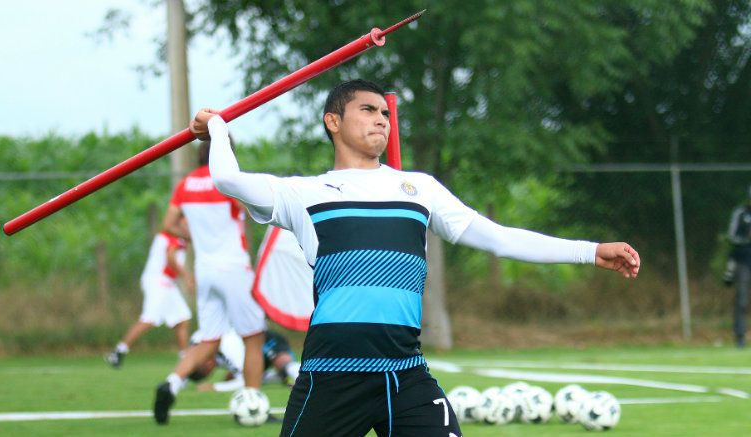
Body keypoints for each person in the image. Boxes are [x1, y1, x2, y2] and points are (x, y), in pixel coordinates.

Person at [190, 79, 640, 437]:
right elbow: (228, 178)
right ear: (333, 121)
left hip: (405, 373)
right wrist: (218, 127)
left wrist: (589, 251)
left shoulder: (419, 189)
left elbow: (499, 238)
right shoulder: (301, 193)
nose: (381, 120)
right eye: (367, 110)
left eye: (385, 113)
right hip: (333, 373)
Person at [152, 140, 266, 425]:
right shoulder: (227, 181)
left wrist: (195, 237)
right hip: (234, 268)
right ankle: (252, 402)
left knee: (209, 338)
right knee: (253, 338)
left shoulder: (186, 184)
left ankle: (172, 383)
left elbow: (168, 224)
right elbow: (255, 209)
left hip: (205, 269)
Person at [105, 228, 194, 368]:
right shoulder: (173, 234)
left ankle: (185, 363)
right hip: (158, 281)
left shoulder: (178, 236)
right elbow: (171, 257)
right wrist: (187, 276)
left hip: (167, 283)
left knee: (182, 319)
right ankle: (118, 352)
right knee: (150, 319)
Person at [188, 329, 301, 392]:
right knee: (233, 378)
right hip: (250, 354)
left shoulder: (228, 347)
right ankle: (280, 378)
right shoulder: (196, 343)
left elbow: (244, 381)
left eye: (208, 370)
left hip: (263, 340)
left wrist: (215, 387)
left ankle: (303, 378)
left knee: (283, 364)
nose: (212, 368)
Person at [726, 185, 751, 348]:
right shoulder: (741, 213)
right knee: (741, 300)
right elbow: (731, 236)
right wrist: (747, 240)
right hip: (744, 261)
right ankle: (740, 337)